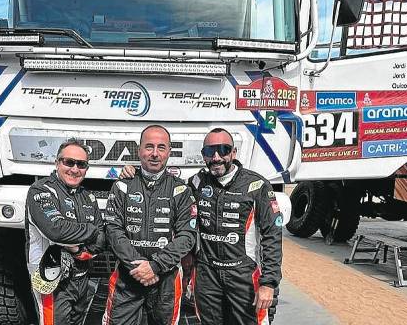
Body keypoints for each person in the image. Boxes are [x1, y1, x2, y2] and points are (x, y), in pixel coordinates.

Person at [103, 125, 197, 325]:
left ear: (169, 152)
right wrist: (139, 267)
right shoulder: (122, 185)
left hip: (166, 281)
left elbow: (187, 236)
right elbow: (113, 230)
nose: (155, 153)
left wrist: (155, 266)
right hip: (128, 277)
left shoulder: (181, 189)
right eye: (149, 147)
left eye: (161, 148)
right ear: (139, 150)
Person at [190, 128, 282, 325]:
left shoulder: (256, 185)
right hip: (208, 275)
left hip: (243, 275)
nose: (216, 157)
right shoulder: (197, 183)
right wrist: (134, 173)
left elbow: (272, 236)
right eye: (209, 152)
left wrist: (268, 283)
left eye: (223, 150)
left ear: (233, 152)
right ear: (203, 155)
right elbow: (167, 188)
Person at [25, 138, 106, 325]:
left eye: (81, 164)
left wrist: (78, 250)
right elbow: (56, 230)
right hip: (51, 279)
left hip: (82, 279)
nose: (75, 169)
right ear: (57, 163)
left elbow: (102, 240)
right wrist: (91, 231)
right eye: (69, 162)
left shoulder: (88, 197)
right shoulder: (41, 190)